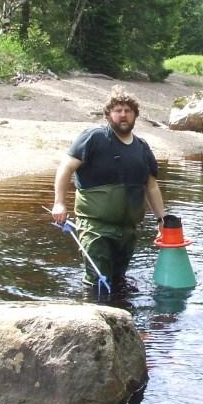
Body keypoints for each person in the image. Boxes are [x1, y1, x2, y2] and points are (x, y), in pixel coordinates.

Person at [52, 86, 166, 291]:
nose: (123, 115)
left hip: (128, 230)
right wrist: (59, 203)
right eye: (118, 110)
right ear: (108, 114)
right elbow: (65, 167)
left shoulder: (142, 147)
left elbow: (151, 186)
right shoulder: (94, 137)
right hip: (96, 227)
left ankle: (120, 318)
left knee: (119, 281)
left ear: (135, 116)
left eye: (128, 111)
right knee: (98, 280)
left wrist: (162, 220)